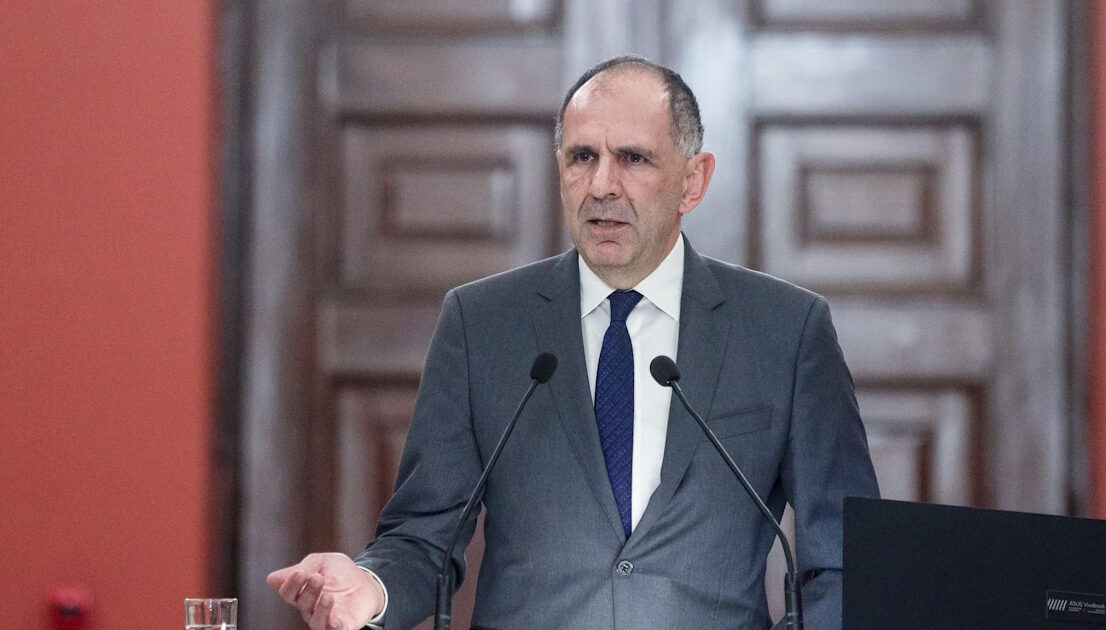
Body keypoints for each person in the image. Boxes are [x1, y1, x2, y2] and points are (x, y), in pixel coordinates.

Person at [268, 56, 879, 630]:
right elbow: (423, 536)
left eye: (634, 159)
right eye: (582, 157)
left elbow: (847, 563)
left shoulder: (786, 331)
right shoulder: (482, 324)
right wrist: (370, 588)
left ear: (693, 182)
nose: (602, 184)